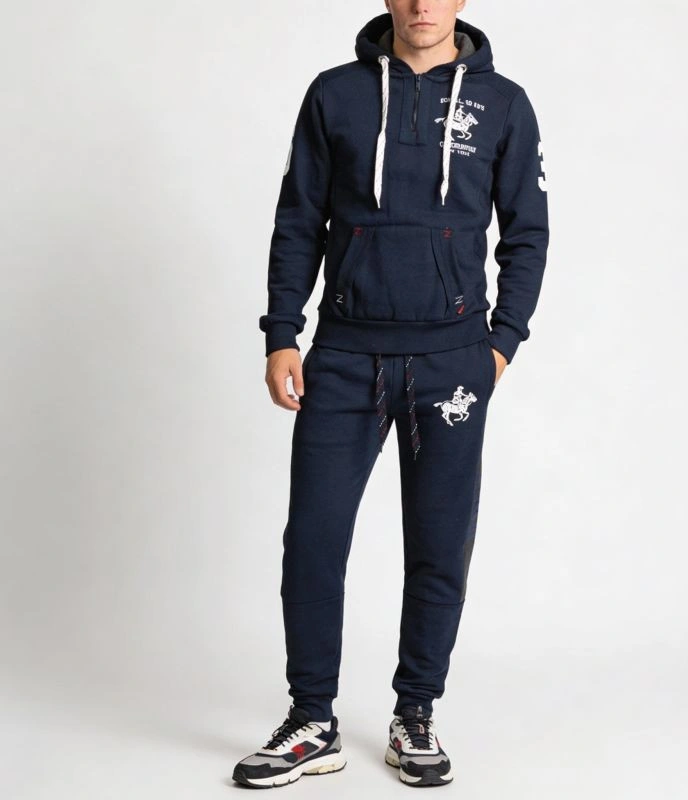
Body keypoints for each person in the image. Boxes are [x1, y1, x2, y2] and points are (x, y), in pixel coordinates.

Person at [232, 0, 549, 789]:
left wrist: (501, 343)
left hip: (452, 363)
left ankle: (416, 715)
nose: (420, 4)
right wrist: (281, 332)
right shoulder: (334, 93)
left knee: (439, 545)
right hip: (344, 355)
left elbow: (527, 232)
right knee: (313, 540)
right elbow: (299, 219)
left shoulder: (503, 103)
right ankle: (312, 720)